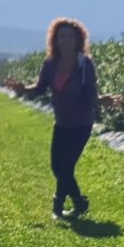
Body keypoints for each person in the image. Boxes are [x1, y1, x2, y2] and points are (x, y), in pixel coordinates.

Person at [8, 17, 100, 219]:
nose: (66, 40)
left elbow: (92, 94)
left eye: (70, 36)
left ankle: (59, 206)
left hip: (81, 123)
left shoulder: (85, 64)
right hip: (62, 123)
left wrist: (103, 101)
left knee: (66, 166)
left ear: (78, 39)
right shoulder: (50, 64)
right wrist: (23, 89)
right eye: (62, 36)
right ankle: (79, 202)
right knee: (57, 167)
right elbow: (40, 88)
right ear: (55, 40)